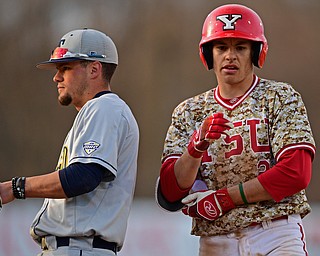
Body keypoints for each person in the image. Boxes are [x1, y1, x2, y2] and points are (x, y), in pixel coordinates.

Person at [156, 4, 316, 256]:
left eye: (240, 47)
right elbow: (170, 192)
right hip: (216, 240)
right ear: (209, 54)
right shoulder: (189, 111)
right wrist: (195, 148)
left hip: (274, 231)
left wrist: (226, 197)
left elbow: (296, 173)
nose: (230, 56)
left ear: (256, 53)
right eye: (221, 47)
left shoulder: (280, 97)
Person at [0, 28, 139, 256]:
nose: (57, 77)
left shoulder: (105, 108)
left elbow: (82, 177)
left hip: (81, 247)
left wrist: (14, 188)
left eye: (65, 68)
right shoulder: (96, 112)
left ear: (94, 69)